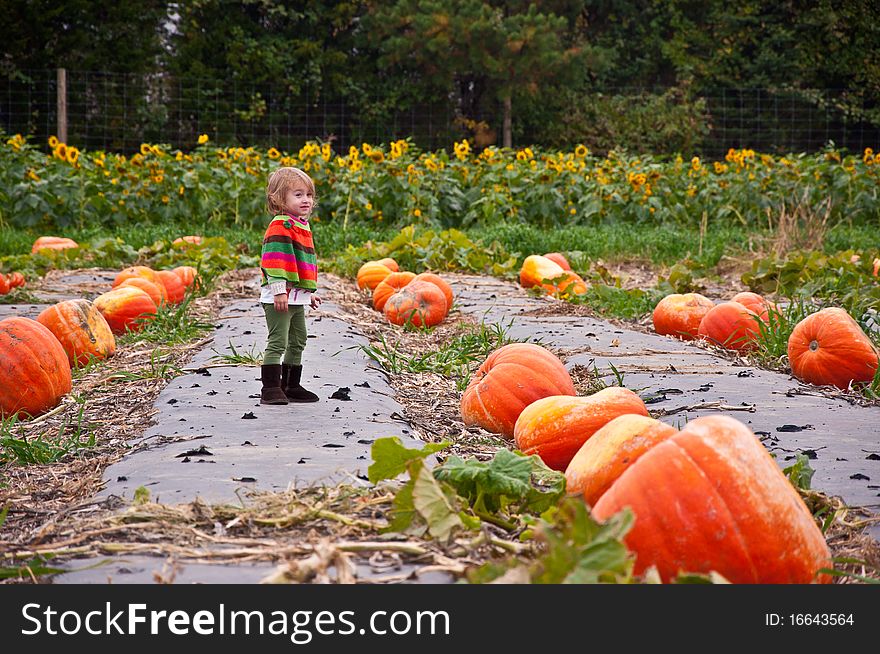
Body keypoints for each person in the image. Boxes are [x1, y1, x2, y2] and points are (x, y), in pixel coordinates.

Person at [259, 166, 322, 405]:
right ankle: (271, 388)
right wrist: (278, 290)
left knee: (299, 339)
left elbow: (302, 264)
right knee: (278, 340)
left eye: (308, 194)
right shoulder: (281, 225)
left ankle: (291, 385)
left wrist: (309, 293)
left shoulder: (300, 225)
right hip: (279, 296)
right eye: (298, 195)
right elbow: (274, 260)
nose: (306, 199)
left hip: (296, 296)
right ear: (278, 199)